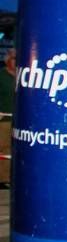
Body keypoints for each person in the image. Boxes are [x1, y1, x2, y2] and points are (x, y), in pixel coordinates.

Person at [0, 49, 15, 188]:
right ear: (7, 61)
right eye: (13, 58)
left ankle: (11, 177)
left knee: (13, 149)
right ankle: (3, 180)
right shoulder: (2, 76)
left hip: (18, 120)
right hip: (4, 119)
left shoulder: (21, 75)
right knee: (3, 148)